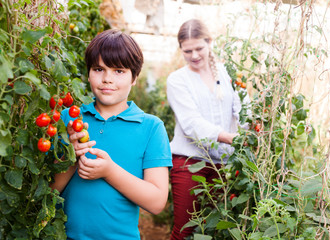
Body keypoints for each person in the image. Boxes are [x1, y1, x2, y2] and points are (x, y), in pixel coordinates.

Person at [50, 29, 173, 240]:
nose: (107, 79)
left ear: (134, 77)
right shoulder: (69, 119)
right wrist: (71, 158)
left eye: (119, 71)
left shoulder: (151, 128)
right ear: (88, 73)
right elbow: (48, 192)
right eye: (99, 69)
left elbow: (156, 202)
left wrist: (109, 171)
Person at [166, 19, 250, 239]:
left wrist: (248, 134)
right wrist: (230, 138)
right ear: (181, 49)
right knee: (186, 229)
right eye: (187, 51)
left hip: (225, 165)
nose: (194, 55)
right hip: (190, 163)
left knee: (217, 229)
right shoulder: (177, 80)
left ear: (210, 42)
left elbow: (243, 109)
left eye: (199, 48)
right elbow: (191, 123)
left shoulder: (227, 73)